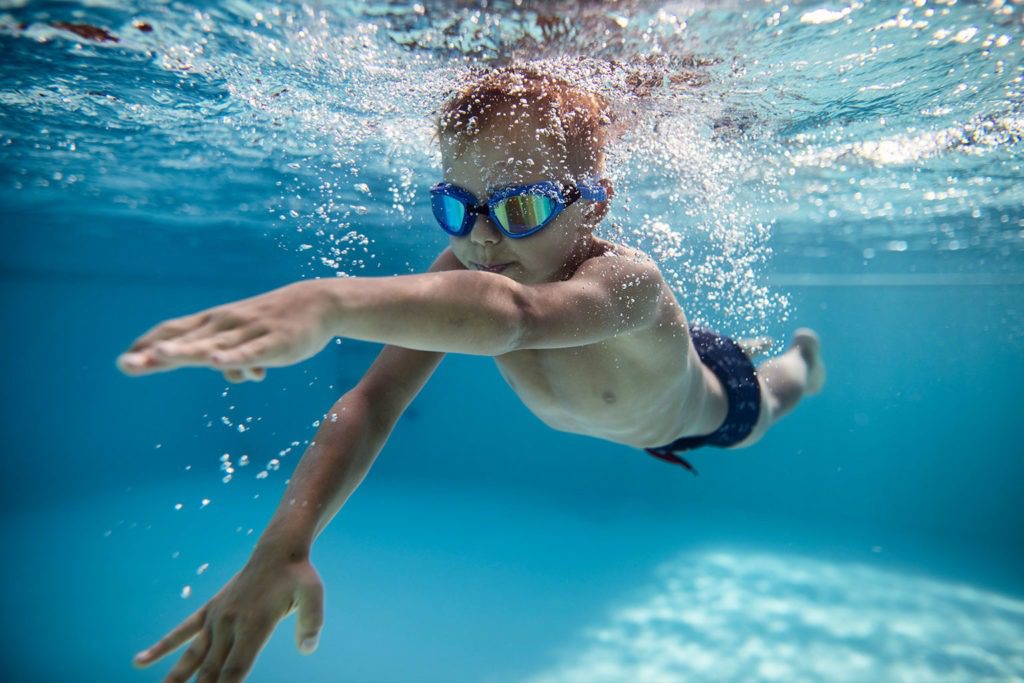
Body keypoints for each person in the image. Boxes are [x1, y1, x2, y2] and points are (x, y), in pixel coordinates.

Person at [119, 65, 825, 682]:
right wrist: (284, 545)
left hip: (706, 402)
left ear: (595, 202)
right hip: (629, 387)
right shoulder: (472, 265)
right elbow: (372, 399)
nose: (482, 237)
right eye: (457, 206)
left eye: (521, 207)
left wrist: (329, 301)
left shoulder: (627, 281)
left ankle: (801, 359)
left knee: (769, 399)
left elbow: (517, 315)